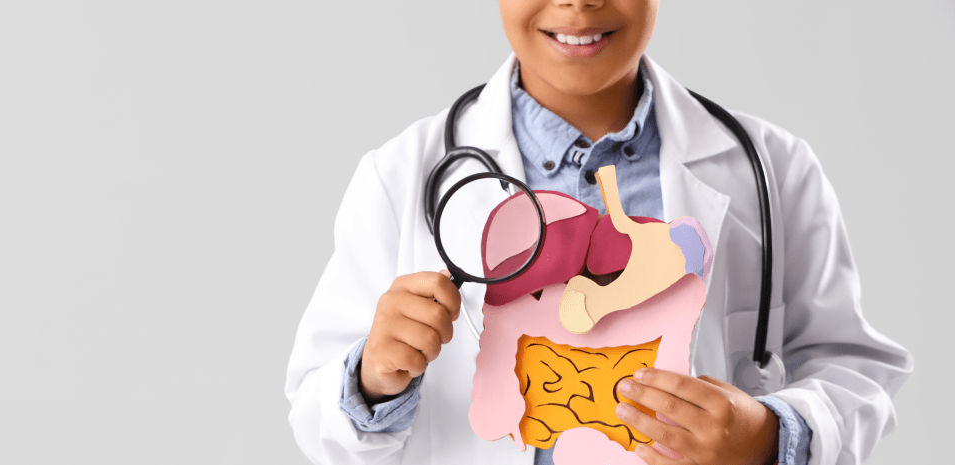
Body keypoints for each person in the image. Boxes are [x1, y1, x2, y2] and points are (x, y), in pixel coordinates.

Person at [284, 1, 913, 464]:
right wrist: (371, 379)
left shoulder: (772, 169)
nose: (578, 3)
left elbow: (855, 367)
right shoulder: (399, 176)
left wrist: (771, 435)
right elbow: (316, 417)